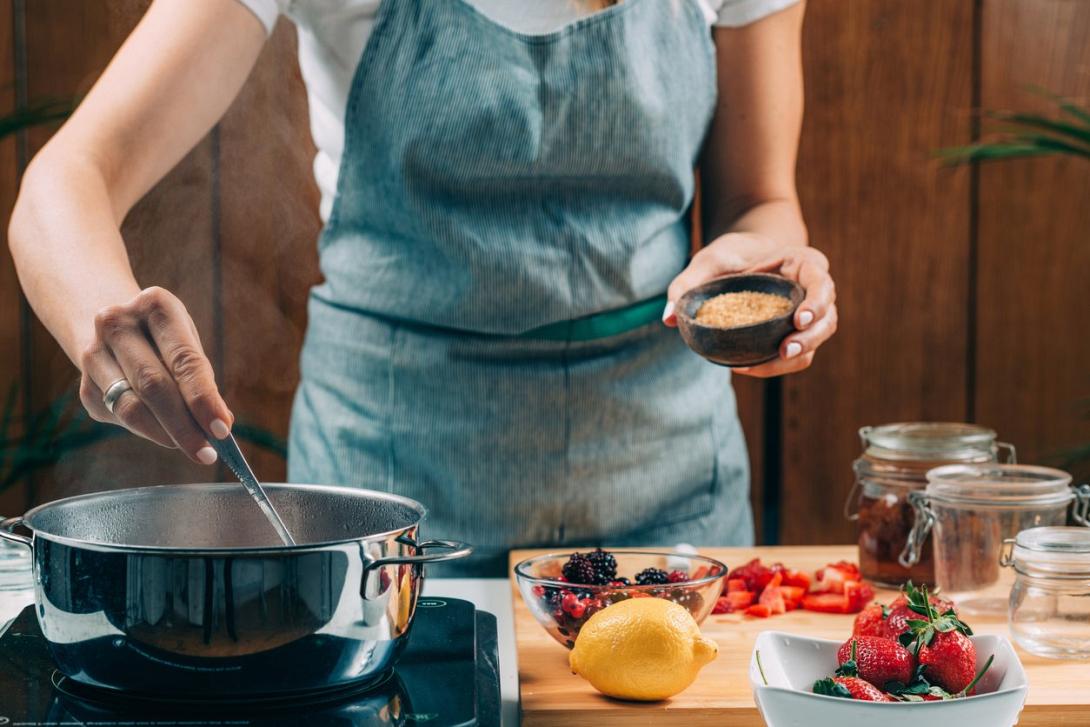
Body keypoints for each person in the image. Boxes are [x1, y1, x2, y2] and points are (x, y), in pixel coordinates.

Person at [9, 0, 836, 575]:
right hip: (387, 518)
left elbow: (758, 198)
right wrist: (103, 319)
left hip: (671, 504)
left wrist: (767, 267)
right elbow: (65, 181)